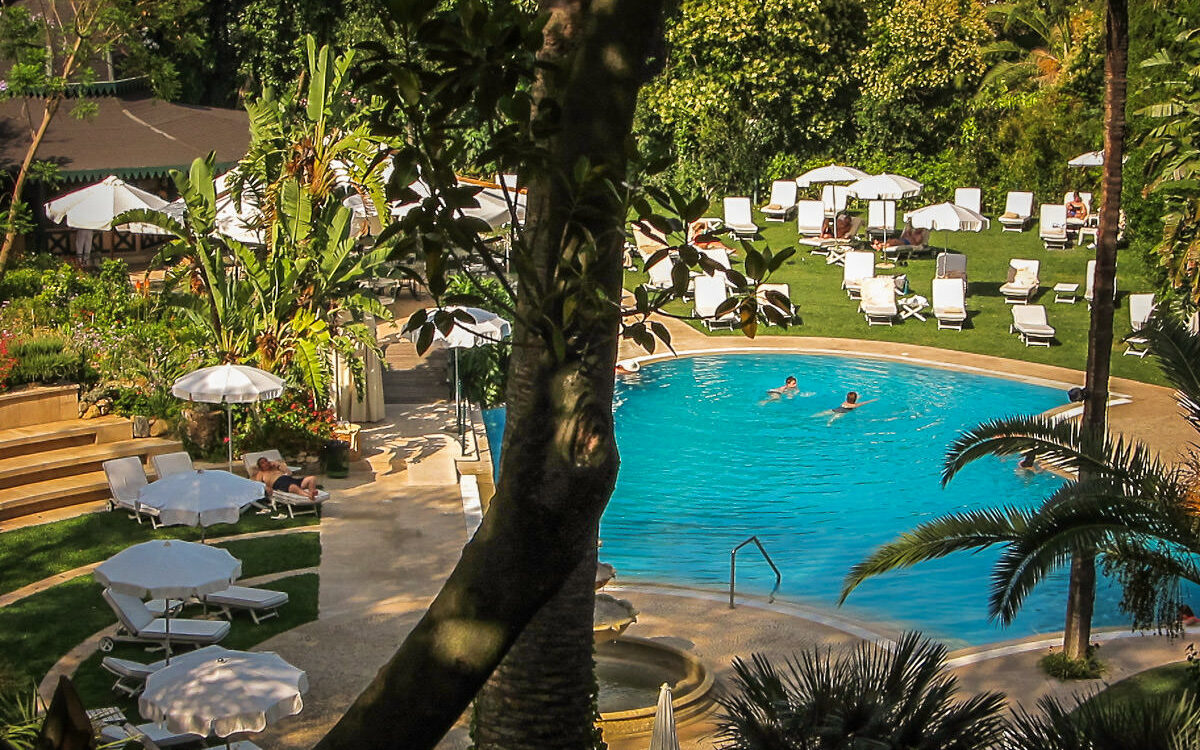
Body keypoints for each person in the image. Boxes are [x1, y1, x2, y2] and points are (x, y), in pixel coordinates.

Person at [253, 456, 319, 500]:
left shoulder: (275, 468)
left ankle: (312, 492)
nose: (265, 463)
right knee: (293, 486)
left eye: (266, 461)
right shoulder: (261, 473)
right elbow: (258, 484)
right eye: (262, 463)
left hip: (289, 479)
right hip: (278, 483)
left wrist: (278, 464)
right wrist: (267, 487)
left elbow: (289, 473)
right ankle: (309, 496)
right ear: (260, 466)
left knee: (312, 478)